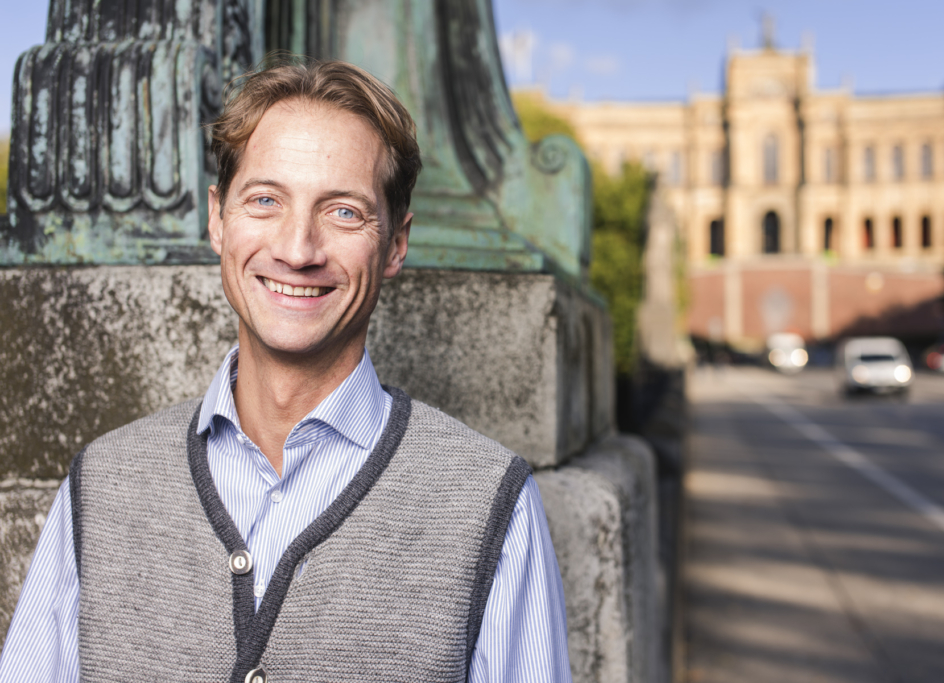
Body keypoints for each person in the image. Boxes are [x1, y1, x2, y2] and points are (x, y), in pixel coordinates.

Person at [0, 60, 571, 682]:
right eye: (266, 200)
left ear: (397, 245)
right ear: (218, 219)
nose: (298, 249)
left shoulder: (491, 504)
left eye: (344, 212)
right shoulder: (99, 488)